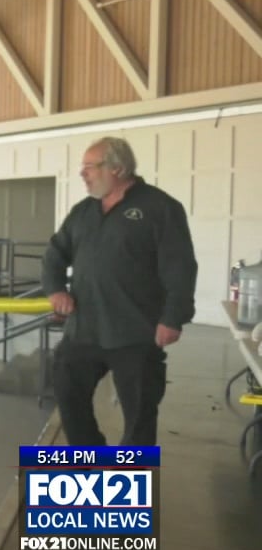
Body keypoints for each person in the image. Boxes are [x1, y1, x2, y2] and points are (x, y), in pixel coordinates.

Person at [43, 136, 197, 446]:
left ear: (117, 168)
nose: (82, 174)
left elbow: (180, 267)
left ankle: (128, 487)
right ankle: (90, 463)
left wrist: (173, 317)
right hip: (84, 328)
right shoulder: (83, 211)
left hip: (137, 331)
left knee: (139, 414)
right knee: (67, 391)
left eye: (90, 167)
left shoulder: (160, 208)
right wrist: (56, 289)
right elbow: (55, 254)